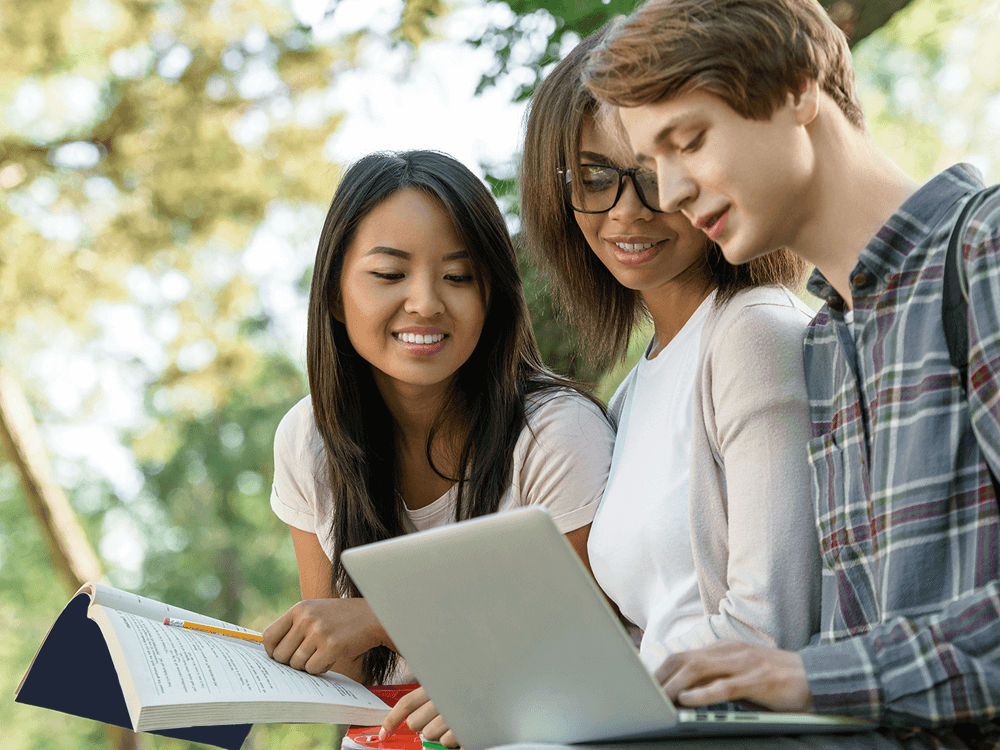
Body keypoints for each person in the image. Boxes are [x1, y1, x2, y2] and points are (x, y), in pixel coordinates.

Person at [384, 29, 822, 749]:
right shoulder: (632, 391)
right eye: (593, 177)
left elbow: (770, 632)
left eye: (651, 170)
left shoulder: (753, 335)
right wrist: (494, 682)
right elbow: (631, 634)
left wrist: (547, 698)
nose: (626, 211)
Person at [584, 0, 1000, 746]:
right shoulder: (825, 344)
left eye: (690, 141)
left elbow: (837, 676)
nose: (671, 192)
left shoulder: (983, 255)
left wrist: (811, 676)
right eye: (654, 164)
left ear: (798, 88)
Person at [262, 150, 614, 691]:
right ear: (333, 293)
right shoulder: (309, 439)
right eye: (389, 273)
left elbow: (590, 646)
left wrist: (384, 618)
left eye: (458, 275)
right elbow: (342, 671)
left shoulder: (556, 436)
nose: (425, 302)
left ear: (492, 295)